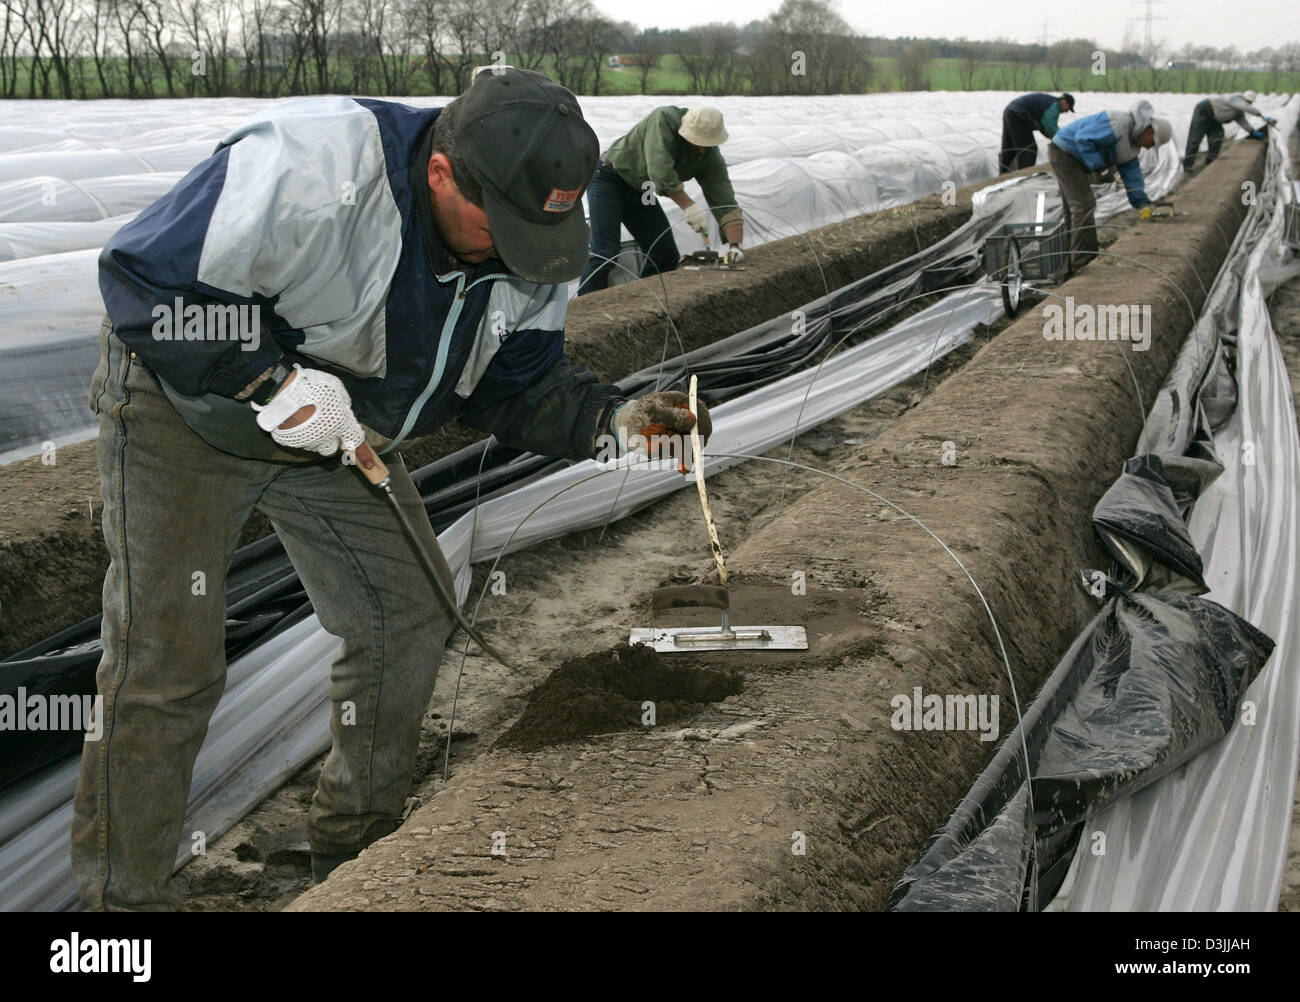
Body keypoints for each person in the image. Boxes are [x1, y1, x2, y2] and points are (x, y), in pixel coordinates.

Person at [74, 67, 711, 910]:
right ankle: (122, 907)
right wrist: (267, 382)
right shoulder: (311, 169)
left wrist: (615, 420)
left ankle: (356, 851)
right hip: (183, 414)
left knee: (404, 613)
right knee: (167, 665)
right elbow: (144, 282)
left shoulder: (536, 244)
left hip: (341, 432)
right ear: (443, 172)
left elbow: (514, 386)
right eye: (502, 228)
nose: (519, 253)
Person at [577, 105, 744, 295]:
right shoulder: (664, 120)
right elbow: (660, 172)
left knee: (664, 255)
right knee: (605, 253)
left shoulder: (710, 158)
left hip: (643, 190)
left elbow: (725, 200)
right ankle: (581, 313)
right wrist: (689, 206)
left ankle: (642, 301)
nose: (701, 149)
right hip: (609, 179)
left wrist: (735, 246)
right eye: (697, 142)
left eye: (707, 145)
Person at [1048, 100, 1172, 271]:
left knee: (1075, 209)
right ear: (1149, 130)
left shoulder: (1133, 146)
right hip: (1065, 153)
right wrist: (1099, 166)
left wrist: (1142, 203)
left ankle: (1070, 262)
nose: (1150, 148)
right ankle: (1082, 261)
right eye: (1153, 142)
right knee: (1083, 205)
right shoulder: (1118, 124)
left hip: (1074, 157)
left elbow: (1132, 176)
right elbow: (1083, 139)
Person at [1183, 90, 1277, 171]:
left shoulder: (1238, 112)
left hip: (1214, 118)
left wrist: (1252, 131)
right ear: (1245, 99)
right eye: (1248, 102)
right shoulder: (1236, 99)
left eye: (1250, 103)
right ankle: (1187, 164)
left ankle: (1210, 162)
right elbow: (1245, 107)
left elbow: (1243, 122)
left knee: (1218, 135)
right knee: (1195, 138)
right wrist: (1261, 116)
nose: (1248, 104)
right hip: (1204, 110)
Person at [999, 92, 1075, 173]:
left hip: (1010, 111)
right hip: (1018, 114)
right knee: (1029, 149)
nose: (1067, 111)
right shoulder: (1054, 106)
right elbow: (1050, 128)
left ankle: (1004, 173)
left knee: (1010, 146)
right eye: (1068, 108)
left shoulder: (1048, 101)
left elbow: (1044, 127)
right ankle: (1024, 175)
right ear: (1064, 102)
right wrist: (1063, 142)